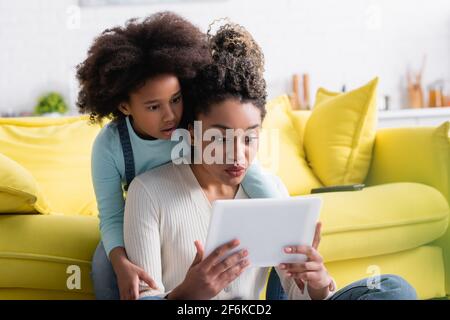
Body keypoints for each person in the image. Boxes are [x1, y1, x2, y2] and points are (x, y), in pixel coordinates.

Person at [123, 22, 417, 300]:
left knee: (393, 289)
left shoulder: (268, 190)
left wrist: (317, 283)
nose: (237, 155)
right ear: (193, 133)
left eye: (249, 138)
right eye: (221, 138)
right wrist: (188, 293)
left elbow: (296, 292)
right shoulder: (148, 192)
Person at [76, 12, 281, 300]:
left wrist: (285, 222)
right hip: (141, 215)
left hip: (186, 201)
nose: (170, 116)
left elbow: (251, 171)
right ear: (124, 106)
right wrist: (121, 263)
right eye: (153, 107)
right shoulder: (110, 147)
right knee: (102, 264)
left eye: (175, 99)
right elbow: (111, 215)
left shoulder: (193, 123)